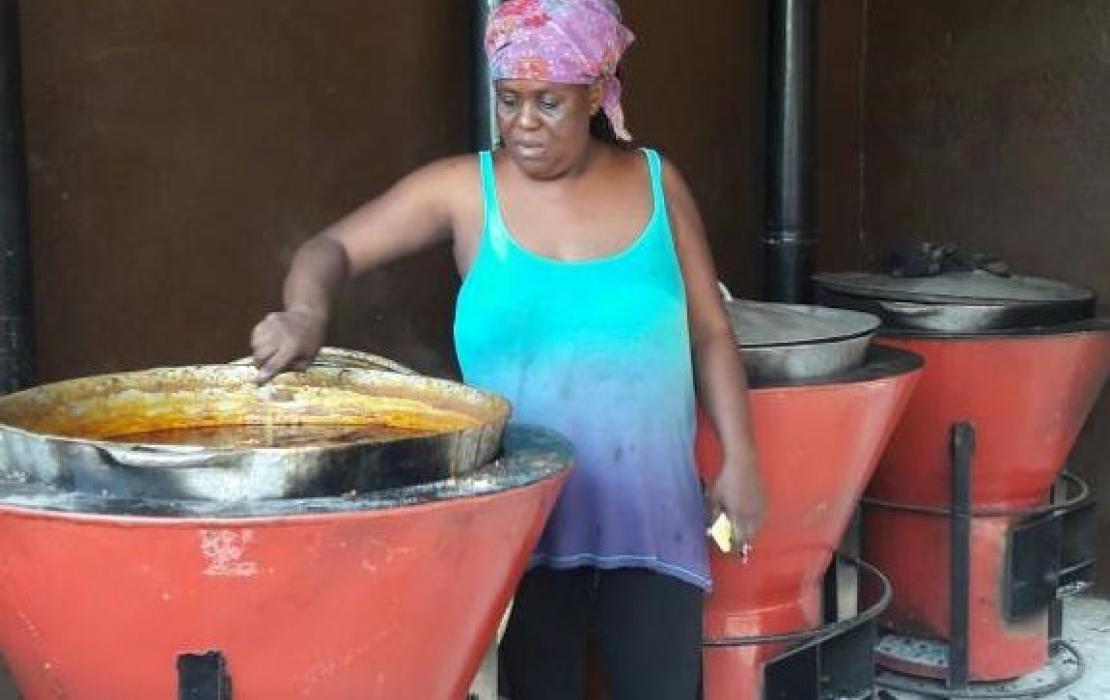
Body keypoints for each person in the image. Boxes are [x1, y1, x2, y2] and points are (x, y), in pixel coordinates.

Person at [250, 1, 765, 697]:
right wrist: (305, 314)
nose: (523, 123)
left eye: (547, 102)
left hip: (652, 517)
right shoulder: (466, 192)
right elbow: (330, 247)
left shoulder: (656, 182)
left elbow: (709, 332)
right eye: (508, 99)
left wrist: (741, 459)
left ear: (595, 92)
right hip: (521, 529)